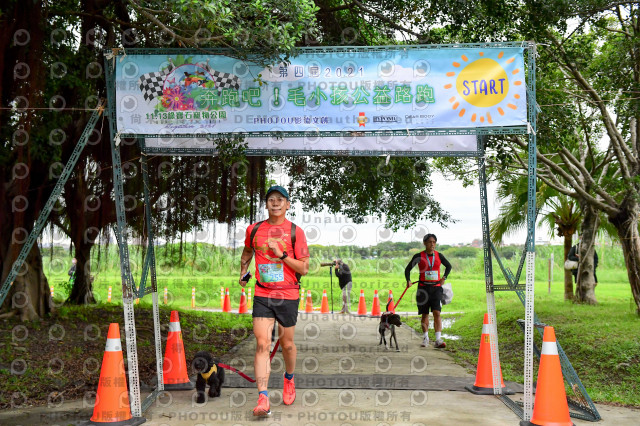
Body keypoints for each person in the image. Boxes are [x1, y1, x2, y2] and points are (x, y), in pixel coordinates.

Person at [239, 185, 309, 417]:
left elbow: (304, 268)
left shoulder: (296, 232)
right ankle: (263, 398)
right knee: (262, 344)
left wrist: (282, 254)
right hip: (263, 294)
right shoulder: (254, 229)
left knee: (287, 344)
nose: (276, 202)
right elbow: (247, 252)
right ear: (266, 204)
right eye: (271, 199)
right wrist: (243, 272)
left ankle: (289, 378)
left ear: (288, 205)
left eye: (280, 199)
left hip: (288, 294)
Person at [405, 234, 452, 349]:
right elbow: (407, 269)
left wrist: (444, 278)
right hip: (423, 289)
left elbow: (449, 266)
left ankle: (438, 339)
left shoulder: (439, 255)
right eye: (430, 242)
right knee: (425, 314)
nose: (432, 244)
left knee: (437, 313)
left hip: (436, 288)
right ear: (424, 243)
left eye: (434, 242)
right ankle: (425, 338)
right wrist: (408, 281)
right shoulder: (419, 256)